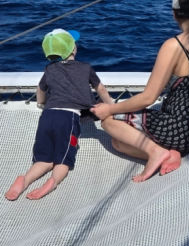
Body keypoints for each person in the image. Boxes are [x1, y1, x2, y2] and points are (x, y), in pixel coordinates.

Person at [91, 0, 189, 182]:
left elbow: (148, 98)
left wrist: (110, 109)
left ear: (174, 15)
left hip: (179, 131)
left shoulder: (174, 45)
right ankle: (170, 152)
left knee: (109, 124)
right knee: (119, 144)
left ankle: (157, 152)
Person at [4, 29, 112, 201]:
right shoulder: (86, 68)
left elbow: (40, 90)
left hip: (47, 116)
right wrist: (111, 105)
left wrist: (41, 104)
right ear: (73, 49)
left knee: (43, 160)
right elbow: (101, 89)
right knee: (63, 161)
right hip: (68, 118)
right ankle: (52, 181)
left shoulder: (49, 69)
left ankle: (24, 180)